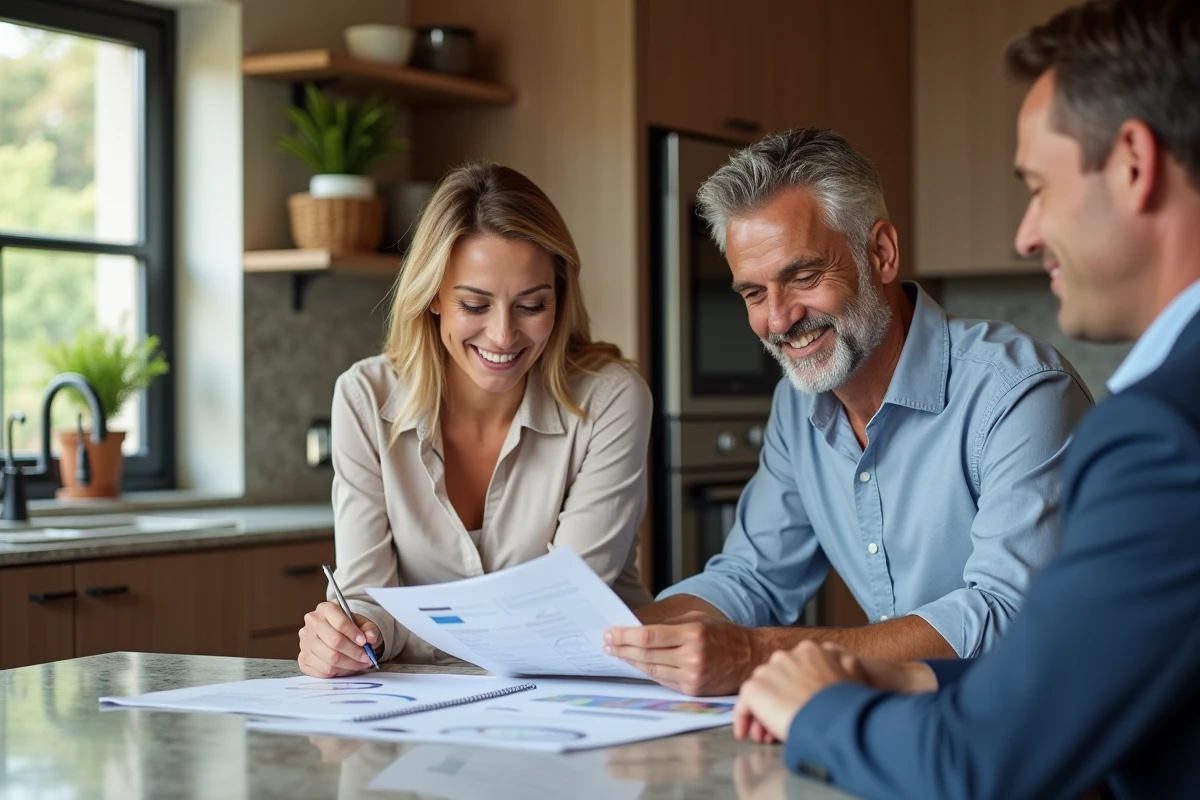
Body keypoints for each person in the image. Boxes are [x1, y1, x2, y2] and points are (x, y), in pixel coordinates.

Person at [732, 1, 1200, 797]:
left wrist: (819, 706)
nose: (1025, 233)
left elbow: (988, 762)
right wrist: (911, 681)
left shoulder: (1159, 433)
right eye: (752, 292)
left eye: (1038, 187)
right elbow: (1088, 683)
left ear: (1132, 163)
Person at [605, 129, 1093, 696]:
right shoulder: (798, 403)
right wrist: (617, 636)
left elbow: (1006, 617)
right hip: (921, 720)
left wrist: (757, 654)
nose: (780, 320)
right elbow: (752, 577)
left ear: (880, 253)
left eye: (803, 276)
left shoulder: (1019, 394)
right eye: (753, 294)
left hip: (1053, 739)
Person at [298, 162, 653, 677]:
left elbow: (563, 611)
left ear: (559, 297)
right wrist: (353, 635)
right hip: (434, 714)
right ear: (434, 294)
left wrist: (399, 626)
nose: (504, 335)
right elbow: (366, 598)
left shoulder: (610, 400)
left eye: (532, 305)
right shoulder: (363, 397)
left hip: (586, 692)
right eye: (474, 304)